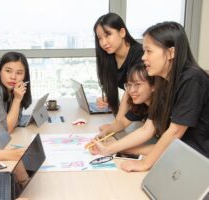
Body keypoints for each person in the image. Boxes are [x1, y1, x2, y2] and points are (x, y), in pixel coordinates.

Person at [90, 22, 209, 172]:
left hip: (199, 162)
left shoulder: (192, 79)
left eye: (149, 51)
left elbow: (175, 132)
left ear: (171, 53)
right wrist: (109, 149)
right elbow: (147, 128)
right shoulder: (163, 81)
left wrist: (145, 164)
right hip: (178, 156)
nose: (144, 57)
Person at [94, 13, 144, 119]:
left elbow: (132, 93)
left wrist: (117, 123)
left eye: (107, 35)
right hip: (134, 115)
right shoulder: (109, 57)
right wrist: (108, 99)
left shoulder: (140, 54)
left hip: (147, 114)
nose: (103, 42)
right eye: (100, 38)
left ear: (122, 32)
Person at [94, 63, 155, 139]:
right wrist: (107, 131)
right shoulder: (141, 104)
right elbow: (123, 123)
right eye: (129, 85)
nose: (132, 90)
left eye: (137, 84)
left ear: (154, 86)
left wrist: (113, 146)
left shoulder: (160, 106)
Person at [0, 52, 32, 133]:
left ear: (25, 76)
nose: (13, 77)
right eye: (8, 71)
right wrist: (17, 99)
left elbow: (16, 121)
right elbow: (4, 130)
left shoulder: (15, 88)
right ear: (0, 70)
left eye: (19, 73)